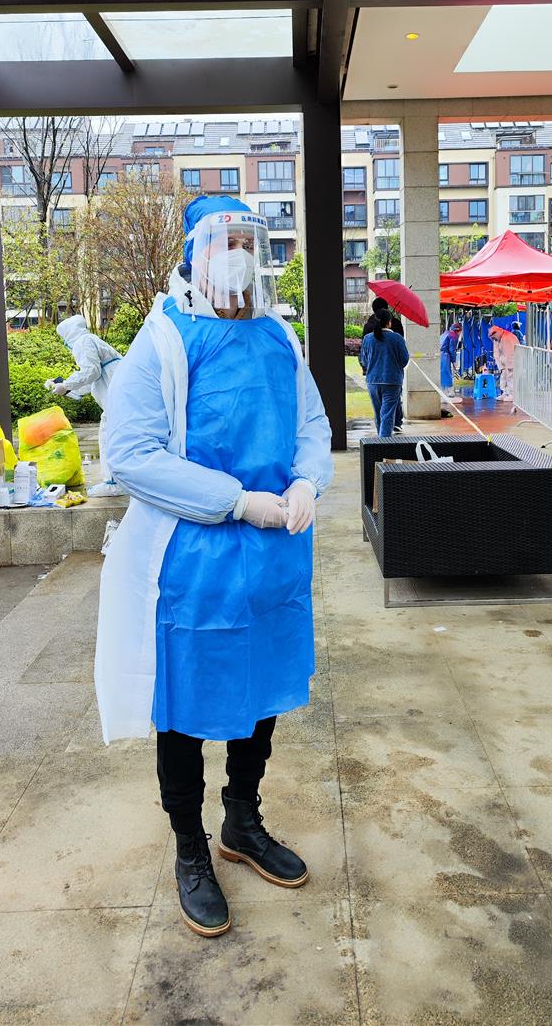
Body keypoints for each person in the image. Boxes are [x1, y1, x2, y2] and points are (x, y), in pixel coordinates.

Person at [96, 194, 333, 939]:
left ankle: (241, 820)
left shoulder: (278, 335)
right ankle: (190, 847)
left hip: (272, 565)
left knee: (260, 693)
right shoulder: (164, 337)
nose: (235, 251)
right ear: (194, 249)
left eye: (245, 238)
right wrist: (237, 501)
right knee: (187, 709)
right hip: (193, 565)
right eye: (221, 238)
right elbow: (131, 453)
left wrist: (305, 481)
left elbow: (314, 425)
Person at [47, 315, 124, 497]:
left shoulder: (83, 342)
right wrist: (66, 388)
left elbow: (91, 371)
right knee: (117, 437)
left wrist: (66, 385)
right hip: (119, 395)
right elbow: (91, 383)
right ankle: (120, 481)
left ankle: (113, 483)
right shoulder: (90, 340)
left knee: (107, 437)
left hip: (116, 398)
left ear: (67, 334)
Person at [360, 309, 410, 436]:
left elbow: (364, 361)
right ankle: (383, 447)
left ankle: (379, 444)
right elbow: (404, 360)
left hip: (373, 381)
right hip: (392, 381)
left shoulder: (368, 339)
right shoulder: (397, 338)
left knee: (378, 415)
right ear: (389, 322)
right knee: (387, 415)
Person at [488, 324, 520, 401]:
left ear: (496, 333)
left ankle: (512, 394)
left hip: (512, 361)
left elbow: (510, 354)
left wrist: (509, 366)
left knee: (510, 377)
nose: (493, 340)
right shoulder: (497, 338)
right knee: (504, 377)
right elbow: (496, 353)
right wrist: (501, 367)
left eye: (493, 338)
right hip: (504, 362)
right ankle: (505, 392)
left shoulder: (507, 338)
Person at [439, 323, 461, 395]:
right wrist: (454, 361)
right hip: (445, 355)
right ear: (458, 330)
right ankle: (450, 392)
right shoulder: (453, 336)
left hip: (439, 354)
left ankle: (443, 392)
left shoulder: (445, 333)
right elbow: (452, 349)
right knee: (447, 373)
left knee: (442, 373)